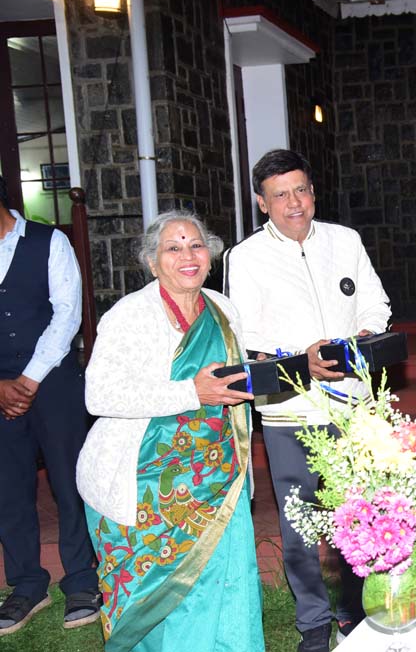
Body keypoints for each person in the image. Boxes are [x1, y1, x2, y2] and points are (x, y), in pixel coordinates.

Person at [224, 149, 391, 651]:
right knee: (298, 524)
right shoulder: (244, 257)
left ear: (313, 192)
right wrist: (303, 360)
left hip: (355, 405)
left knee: (361, 513)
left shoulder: (346, 240)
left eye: (301, 190)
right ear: (262, 202)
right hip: (288, 411)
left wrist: (365, 334)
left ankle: (359, 611)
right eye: (280, 195)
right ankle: (314, 622)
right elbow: (245, 336)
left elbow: (376, 302)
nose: (294, 202)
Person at [76, 211, 264, 650]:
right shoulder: (130, 315)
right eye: (173, 248)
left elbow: (233, 378)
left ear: (210, 255)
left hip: (218, 477)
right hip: (144, 484)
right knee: (157, 601)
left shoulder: (223, 309)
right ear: (152, 261)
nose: (188, 256)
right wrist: (190, 392)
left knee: (224, 587)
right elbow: (99, 395)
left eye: (196, 245)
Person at [0, 176, 100, 636]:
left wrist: (27, 379)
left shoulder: (49, 241)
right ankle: (26, 584)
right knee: (8, 488)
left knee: (69, 481)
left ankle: (81, 579)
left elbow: (67, 313)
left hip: (53, 379)